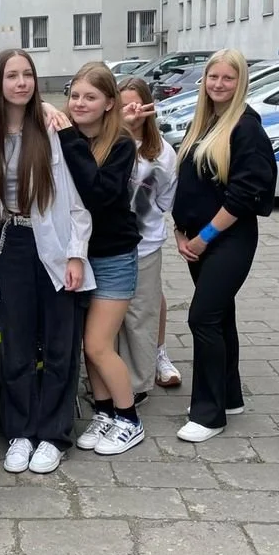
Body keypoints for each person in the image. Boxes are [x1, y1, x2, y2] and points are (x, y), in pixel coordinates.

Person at [0, 48, 94, 475]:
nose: (21, 82)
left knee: (61, 345)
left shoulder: (52, 128)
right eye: (12, 75)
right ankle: (21, 433)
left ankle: (53, 435)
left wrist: (76, 255)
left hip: (54, 247)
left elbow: (78, 201)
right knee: (17, 346)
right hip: (9, 245)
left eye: (27, 74)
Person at [171, 48, 277, 443]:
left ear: (240, 82)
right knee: (219, 317)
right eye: (213, 76)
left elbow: (245, 193)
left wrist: (203, 238)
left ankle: (209, 414)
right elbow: (188, 185)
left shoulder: (246, 128)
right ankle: (229, 396)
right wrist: (181, 231)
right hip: (196, 240)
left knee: (202, 318)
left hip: (227, 239)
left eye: (227, 78)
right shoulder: (202, 123)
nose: (218, 84)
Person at [45, 63, 146, 456]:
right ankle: (104, 412)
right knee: (88, 346)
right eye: (75, 96)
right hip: (76, 257)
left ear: (109, 103)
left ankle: (129, 419)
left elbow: (97, 194)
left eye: (91, 97)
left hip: (113, 257)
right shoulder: (58, 134)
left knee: (98, 344)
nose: (80, 103)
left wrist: (70, 139)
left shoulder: (120, 144)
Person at [114, 77, 179, 403]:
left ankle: (138, 384)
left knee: (142, 313)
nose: (133, 111)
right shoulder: (108, 142)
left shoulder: (163, 152)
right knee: (112, 317)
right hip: (108, 245)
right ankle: (110, 378)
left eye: (137, 104)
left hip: (145, 244)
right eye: (124, 104)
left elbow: (165, 198)